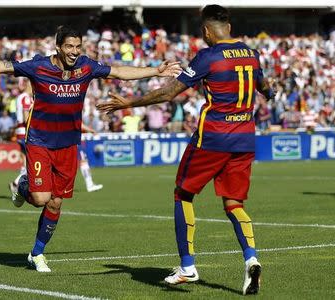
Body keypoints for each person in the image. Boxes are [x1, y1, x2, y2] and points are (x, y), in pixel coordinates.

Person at [0, 25, 181, 273]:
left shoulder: (86, 67)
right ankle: (22, 185)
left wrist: (156, 70)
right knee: (40, 198)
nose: (74, 51)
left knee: (56, 203)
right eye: (69, 46)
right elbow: (2, 66)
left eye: (78, 47)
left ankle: (36, 253)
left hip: (68, 145)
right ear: (58, 47)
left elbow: (119, 71)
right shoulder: (39, 66)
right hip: (40, 142)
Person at [97, 5, 275, 295]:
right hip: (244, 138)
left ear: (206, 30)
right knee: (234, 204)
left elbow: (168, 93)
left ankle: (188, 266)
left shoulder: (209, 56)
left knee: (183, 194)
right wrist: (270, 93)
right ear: (228, 25)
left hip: (213, 138)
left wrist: (127, 103)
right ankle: (251, 259)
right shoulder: (250, 54)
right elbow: (264, 85)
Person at [9, 80, 34, 195]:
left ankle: (19, 186)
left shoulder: (19, 97)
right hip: (26, 132)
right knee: (32, 162)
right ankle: (16, 183)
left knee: (25, 162)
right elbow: (26, 117)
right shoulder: (26, 98)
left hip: (20, 132)